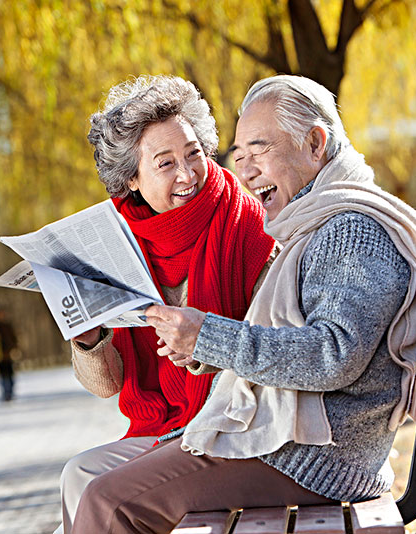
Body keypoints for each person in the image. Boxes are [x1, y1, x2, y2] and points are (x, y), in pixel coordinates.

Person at [71, 75, 416, 533]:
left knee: (108, 502)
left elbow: (334, 356)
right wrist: (200, 349)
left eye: (259, 151)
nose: (245, 172)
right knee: (93, 486)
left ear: (314, 144)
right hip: (294, 441)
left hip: (310, 456)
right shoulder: (313, 224)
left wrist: (206, 337)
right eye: (240, 156)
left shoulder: (350, 230)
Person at [55, 75, 276, 534]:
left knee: (96, 496)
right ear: (132, 179)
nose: (188, 174)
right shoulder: (119, 241)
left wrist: (207, 349)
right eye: (166, 163)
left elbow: (273, 351)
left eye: (194, 153)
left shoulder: (248, 223)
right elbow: (107, 386)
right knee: (77, 473)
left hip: (228, 424)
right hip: (163, 425)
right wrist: (89, 340)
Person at [0, 307, 18, 401]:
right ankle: (5, 393)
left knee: (10, 374)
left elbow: (14, 339)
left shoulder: (8, 326)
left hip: (9, 354)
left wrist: (15, 349)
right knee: (2, 375)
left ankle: (11, 392)